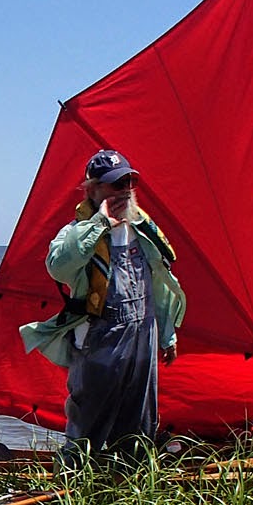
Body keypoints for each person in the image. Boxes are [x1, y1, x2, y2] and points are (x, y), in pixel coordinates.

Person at [20, 148, 185, 465]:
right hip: (101, 336)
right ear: (92, 189)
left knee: (140, 417)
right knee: (89, 416)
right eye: (114, 184)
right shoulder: (78, 232)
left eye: (128, 182)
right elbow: (59, 266)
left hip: (143, 333)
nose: (123, 191)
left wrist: (167, 335)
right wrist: (100, 223)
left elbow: (161, 287)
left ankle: (128, 480)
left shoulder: (143, 231)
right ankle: (73, 483)